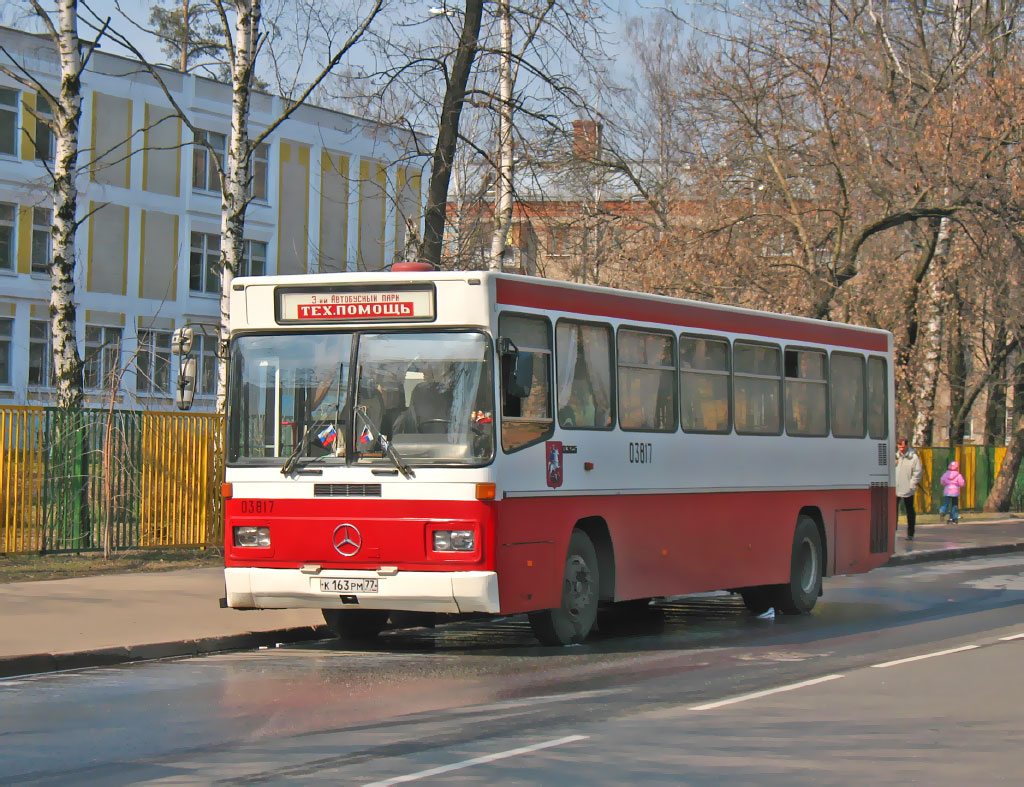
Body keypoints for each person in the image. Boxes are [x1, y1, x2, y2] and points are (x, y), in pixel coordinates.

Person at [895, 437, 923, 539]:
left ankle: (910, 533)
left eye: (903, 446)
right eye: (899, 446)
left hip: (908, 488)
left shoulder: (913, 457)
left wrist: (912, 485)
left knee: (909, 510)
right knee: (894, 512)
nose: (901, 449)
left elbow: (917, 472)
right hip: (895, 488)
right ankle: (893, 532)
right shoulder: (895, 456)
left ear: (907, 445)